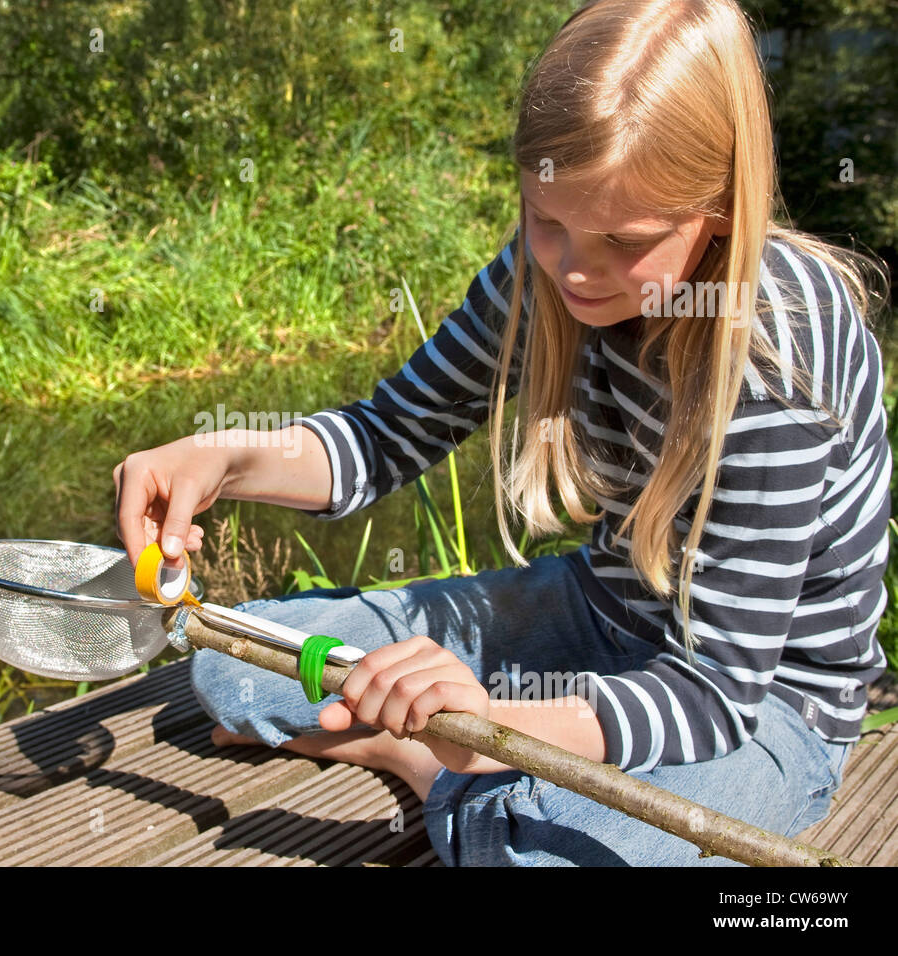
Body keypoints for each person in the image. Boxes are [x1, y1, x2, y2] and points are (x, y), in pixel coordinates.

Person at [112, 0, 892, 865]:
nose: (574, 269)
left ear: (717, 209)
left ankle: (414, 759)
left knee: (536, 849)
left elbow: (713, 695)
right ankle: (453, 765)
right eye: (546, 221)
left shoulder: (775, 356)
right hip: (597, 614)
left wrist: (485, 727)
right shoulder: (543, 273)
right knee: (238, 665)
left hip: (761, 713)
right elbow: (385, 435)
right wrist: (224, 457)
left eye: (622, 241)